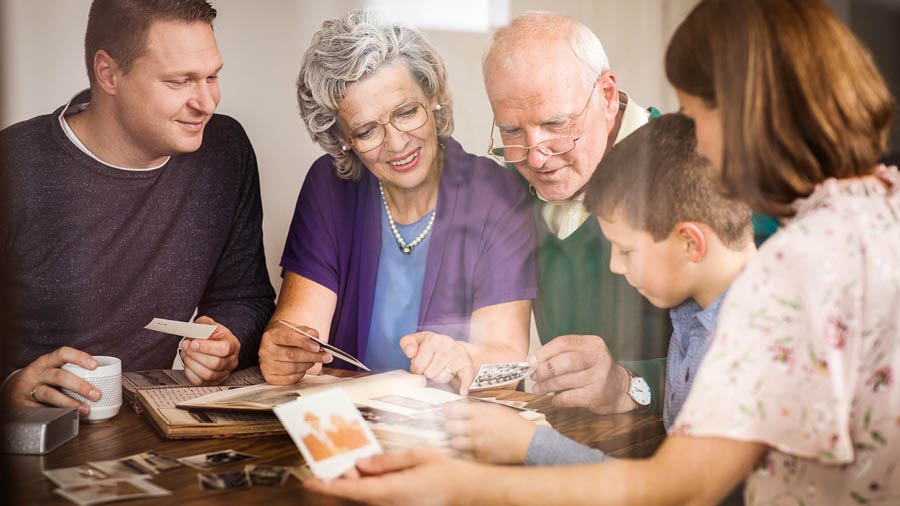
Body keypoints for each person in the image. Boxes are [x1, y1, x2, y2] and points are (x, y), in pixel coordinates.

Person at [305, 0, 899, 504]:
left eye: (698, 114)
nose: (534, 154)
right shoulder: (877, 204)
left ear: (754, 114)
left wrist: (468, 479)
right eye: (512, 132)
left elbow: (686, 482)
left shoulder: (783, 253)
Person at [0, 0, 275, 417]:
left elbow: (246, 296)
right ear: (108, 73)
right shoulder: (13, 165)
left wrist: (227, 337)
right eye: (179, 81)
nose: (206, 102)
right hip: (34, 439)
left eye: (212, 76)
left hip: (150, 427)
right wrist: (7, 388)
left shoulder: (225, 150)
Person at [445, 113, 755, 471]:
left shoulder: (743, 347)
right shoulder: (693, 316)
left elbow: (674, 490)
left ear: (690, 243)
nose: (615, 267)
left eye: (626, 251)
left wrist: (528, 444)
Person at [257, 10, 536, 393]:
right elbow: (297, 331)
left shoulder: (496, 193)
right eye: (367, 130)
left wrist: (465, 358)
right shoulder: (330, 185)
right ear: (342, 139)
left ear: (434, 98)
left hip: (458, 434)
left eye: (406, 112)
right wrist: (283, 351)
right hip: (350, 427)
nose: (397, 142)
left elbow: (506, 358)